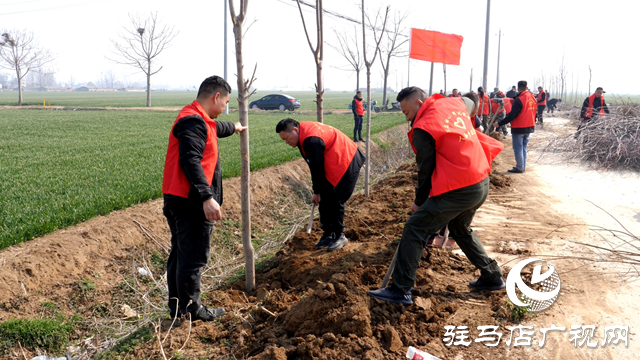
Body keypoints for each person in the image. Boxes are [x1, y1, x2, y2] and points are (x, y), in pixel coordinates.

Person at [367, 87, 505, 305]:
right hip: (480, 180)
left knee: (415, 228)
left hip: (461, 188)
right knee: (460, 229)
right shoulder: (454, 103)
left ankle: (401, 289)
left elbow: (426, 170)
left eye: (407, 112)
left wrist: (419, 203)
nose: (407, 118)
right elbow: (472, 104)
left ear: (420, 104)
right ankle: (492, 276)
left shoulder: (423, 128)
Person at [162, 75, 247, 321]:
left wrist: (235, 127)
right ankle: (192, 311)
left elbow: (216, 128)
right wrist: (207, 197)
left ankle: (179, 309)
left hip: (178, 197)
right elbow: (190, 160)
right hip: (190, 202)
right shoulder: (193, 122)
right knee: (192, 259)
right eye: (226, 102)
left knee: (180, 255)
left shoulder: (198, 118)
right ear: (216, 97)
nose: (225, 107)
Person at [276, 118, 365, 252]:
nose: (287, 142)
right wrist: (319, 191)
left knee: (336, 198)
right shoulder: (303, 132)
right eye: (284, 140)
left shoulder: (311, 140)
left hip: (347, 159)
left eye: (287, 138)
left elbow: (317, 168)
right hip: (334, 159)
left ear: (295, 130)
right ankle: (328, 234)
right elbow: (315, 166)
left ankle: (339, 235)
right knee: (325, 196)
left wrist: (316, 192)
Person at [493, 80, 536, 174]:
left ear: (518, 88)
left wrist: (499, 123)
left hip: (519, 126)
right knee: (524, 147)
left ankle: (520, 167)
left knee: (518, 147)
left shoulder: (520, 99)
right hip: (529, 126)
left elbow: (512, 115)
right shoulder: (531, 97)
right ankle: (522, 166)